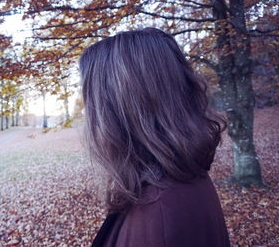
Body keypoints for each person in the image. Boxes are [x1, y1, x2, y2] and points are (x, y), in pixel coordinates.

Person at [78, 27, 231, 247]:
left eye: (91, 100)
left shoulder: (158, 214)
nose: (85, 112)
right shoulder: (180, 179)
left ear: (120, 108)